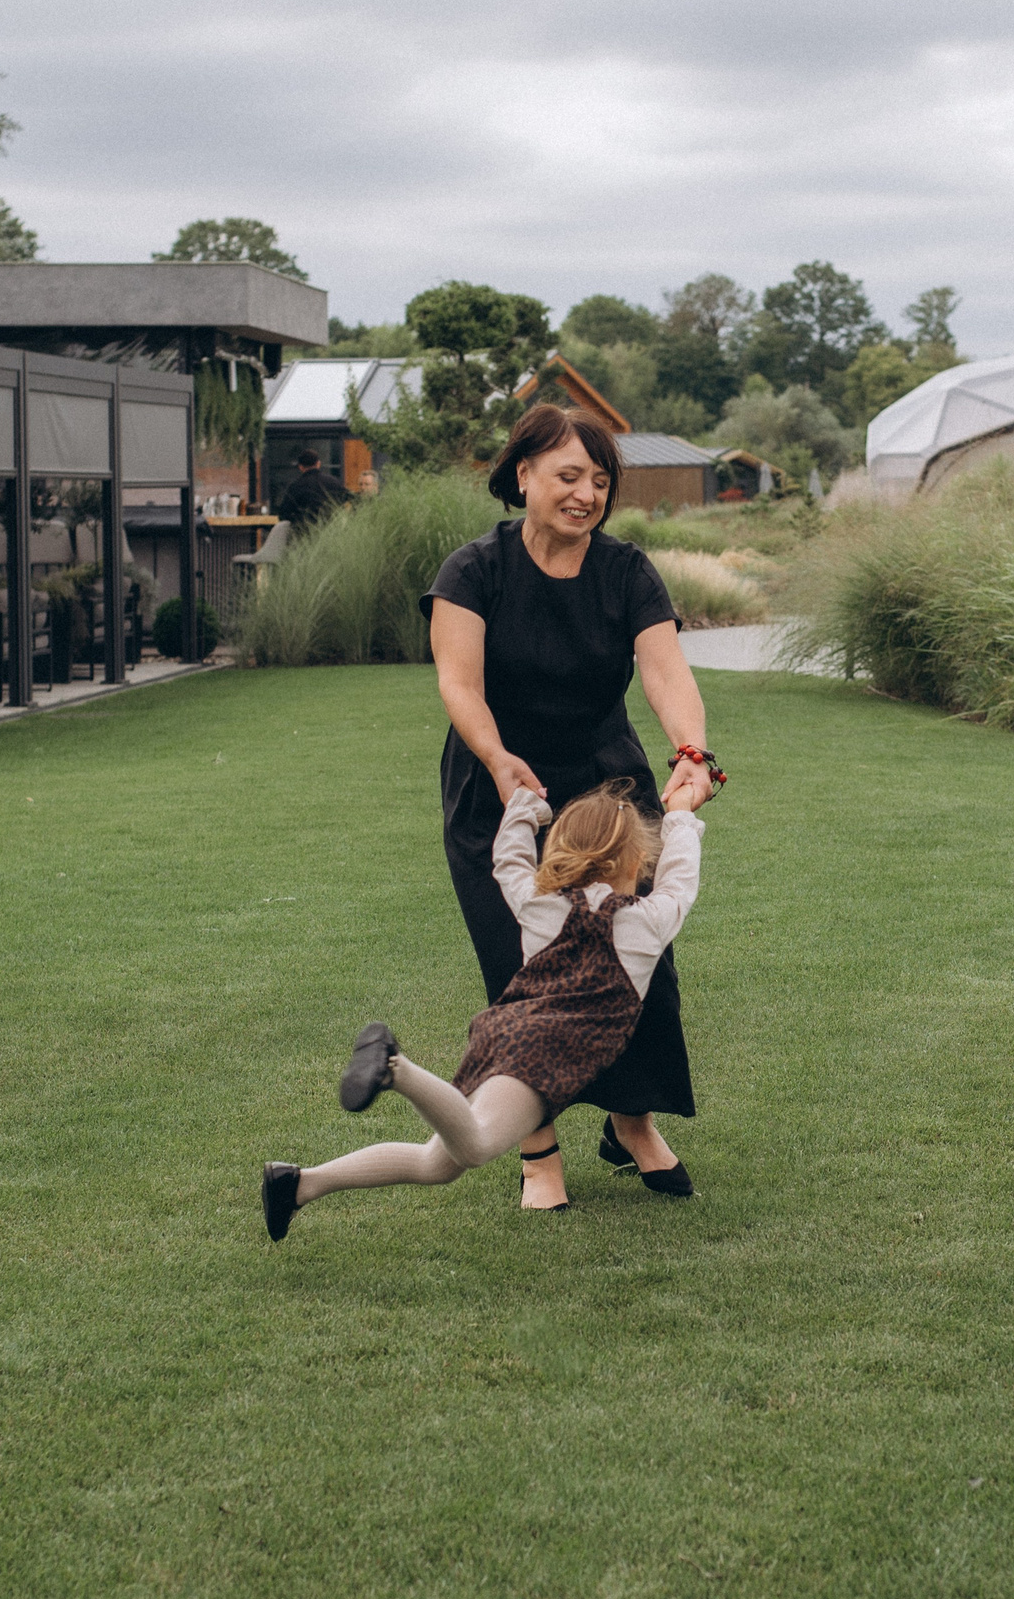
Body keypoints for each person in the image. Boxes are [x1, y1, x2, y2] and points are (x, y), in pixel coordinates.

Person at [425, 403, 722, 1210]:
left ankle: (632, 1123)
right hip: (502, 791)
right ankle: (538, 1151)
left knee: (639, 957)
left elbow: (664, 672)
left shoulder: (627, 572)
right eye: (568, 475)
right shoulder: (474, 570)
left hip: (606, 792)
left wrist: (691, 753)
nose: (586, 492)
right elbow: (459, 681)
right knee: (523, 971)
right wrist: (497, 760)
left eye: (600, 479)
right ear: (522, 475)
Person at [261, 780, 704, 1238]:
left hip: (504, 1031)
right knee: (474, 1146)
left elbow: (509, 862)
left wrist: (523, 809)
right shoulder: (649, 922)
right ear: (637, 862)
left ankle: (295, 1185)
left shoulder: (539, 903)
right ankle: (394, 1067)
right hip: (543, 1058)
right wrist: (681, 814)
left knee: (439, 1163)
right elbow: (680, 873)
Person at [274, 449, 350, 533]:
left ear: (300, 467)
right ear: (318, 464)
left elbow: (283, 514)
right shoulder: (333, 482)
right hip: (331, 533)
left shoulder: (296, 486)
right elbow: (352, 499)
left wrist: (299, 520)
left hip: (304, 534)